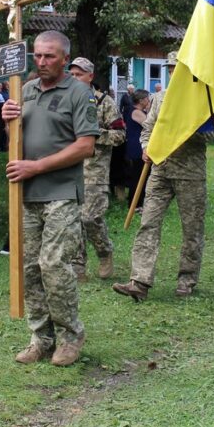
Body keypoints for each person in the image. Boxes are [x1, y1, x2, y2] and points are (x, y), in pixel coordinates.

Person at [1, 30, 99, 367]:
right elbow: (17, 139)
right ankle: (40, 338)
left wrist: (36, 166)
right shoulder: (25, 91)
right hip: (27, 194)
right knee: (30, 268)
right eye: (38, 56)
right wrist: (7, 121)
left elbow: (86, 146)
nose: (42, 62)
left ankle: (70, 337)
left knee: (54, 265)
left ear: (64, 60)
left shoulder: (78, 93)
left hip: (60, 192)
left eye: (50, 56)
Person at [112, 51, 209, 303]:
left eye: (177, 68)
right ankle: (140, 281)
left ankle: (187, 280)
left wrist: (188, 126)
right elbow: (148, 129)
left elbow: (211, 136)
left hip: (190, 173)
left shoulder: (202, 99)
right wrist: (145, 148)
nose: (172, 73)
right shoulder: (160, 98)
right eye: (170, 69)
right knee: (148, 222)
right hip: (161, 170)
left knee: (192, 229)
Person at [67, 57, 125, 281]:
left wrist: (92, 135)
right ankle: (78, 265)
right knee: (72, 220)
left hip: (95, 171)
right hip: (69, 169)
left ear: (90, 77)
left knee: (90, 218)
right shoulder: (64, 100)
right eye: (71, 74)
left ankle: (104, 251)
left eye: (79, 74)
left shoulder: (104, 102)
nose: (74, 78)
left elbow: (120, 135)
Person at [123, 89, 151, 210]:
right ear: (141, 100)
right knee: (138, 177)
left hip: (136, 146)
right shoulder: (137, 112)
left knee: (140, 176)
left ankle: (138, 203)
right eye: (147, 98)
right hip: (137, 148)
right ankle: (135, 204)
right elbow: (149, 125)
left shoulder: (134, 110)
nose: (148, 100)